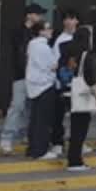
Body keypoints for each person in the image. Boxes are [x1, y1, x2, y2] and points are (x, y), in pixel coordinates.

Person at [1, 4, 46, 156]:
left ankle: (26, 135)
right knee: (18, 106)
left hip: (34, 76)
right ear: (29, 15)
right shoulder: (18, 32)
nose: (40, 17)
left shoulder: (37, 33)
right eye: (38, 14)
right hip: (21, 75)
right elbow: (18, 54)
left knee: (30, 108)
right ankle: (7, 139)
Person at [51, 9, 90, 154]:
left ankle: (78, 142)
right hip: (63, 83)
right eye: (66, 19)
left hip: (79, 83)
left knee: (79, 116)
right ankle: (57, 142)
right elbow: (56, 62)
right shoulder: (60, 40)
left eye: (71, 18)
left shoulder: (81, 39)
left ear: (77, 21)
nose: (68, 21)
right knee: (59, 115)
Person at [24, 22, 61, 159]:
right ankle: (40, 150)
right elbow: (52, 65)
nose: (51, 30)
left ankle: (32, 148)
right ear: (40, 31)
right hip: (44, 85)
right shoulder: (43, 47)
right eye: (48, 28)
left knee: (35, 119)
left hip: (33, 85)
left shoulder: (32, 45)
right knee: (43, 121)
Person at [59, 44, 96, 172]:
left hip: (72, 95)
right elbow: (90, 78)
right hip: (83, 97)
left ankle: (74, 158)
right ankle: (75, 161)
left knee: (75, 128)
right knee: (81, 129)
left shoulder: (71, 52)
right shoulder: (86, 55)